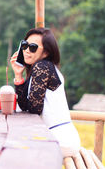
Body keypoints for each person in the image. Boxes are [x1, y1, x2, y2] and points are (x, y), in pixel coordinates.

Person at [10, 27, 81, 157]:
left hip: (60, 138)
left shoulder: (42, 67)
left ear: (46, 52)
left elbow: (34, 109)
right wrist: (18, 76)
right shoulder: (39, 69)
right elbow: (25, 106)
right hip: (57, 137)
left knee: (13, 151)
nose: (26, 50)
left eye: (33, 47)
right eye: (24, 45)